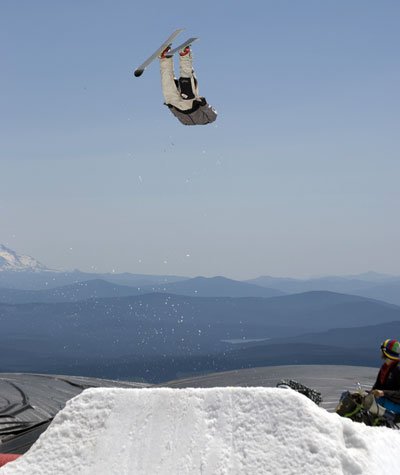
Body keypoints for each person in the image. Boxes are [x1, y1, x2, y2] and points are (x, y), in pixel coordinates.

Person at [159, 45, 217, 126]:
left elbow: (177, 115)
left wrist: (171, 108)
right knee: (186, 78)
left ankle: (165, 58)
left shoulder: (185, 123)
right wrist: (204, 105)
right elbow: (213, 115)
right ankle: (185, 54)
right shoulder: (208, 120)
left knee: (167, 83)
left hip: (175, 104)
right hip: (190, 103)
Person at [363, 339, 400, 419]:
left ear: (385, 352)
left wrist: (383, 393)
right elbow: (377, 386)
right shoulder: (385, 367)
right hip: (387, 400)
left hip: (394, 404)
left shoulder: (398, 369)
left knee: (376, 404)